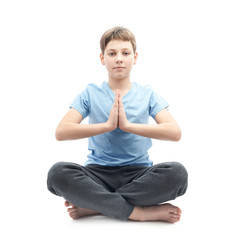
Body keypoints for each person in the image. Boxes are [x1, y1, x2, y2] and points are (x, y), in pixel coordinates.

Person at [47, 26, 188, 223]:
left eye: (125, 53)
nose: (119, 58)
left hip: (139, 174)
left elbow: (174, 132)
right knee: (57, 174)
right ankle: (139, 212)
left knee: (177, 174)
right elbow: (61, 132)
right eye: (112, 53)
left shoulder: (148, 95)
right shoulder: (90, 93)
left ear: (135, 57)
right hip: (98, 173)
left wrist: (128, 126)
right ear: (102, 58)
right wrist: (107, 125)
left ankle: (96, 205)